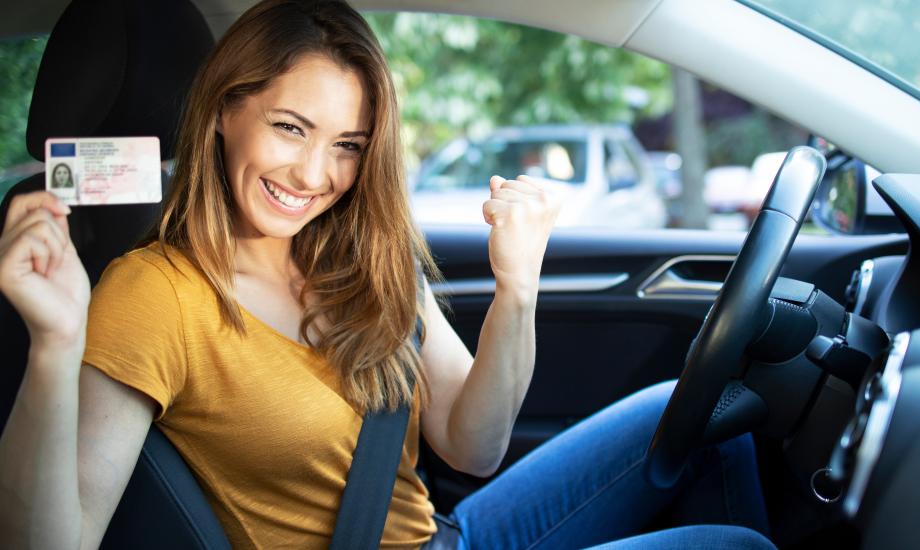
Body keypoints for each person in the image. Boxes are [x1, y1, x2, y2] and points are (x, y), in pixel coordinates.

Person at [0, 1, 774, 548]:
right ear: (221, 114)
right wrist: (53, 344)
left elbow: (472, 447)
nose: (314, 173)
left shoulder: (358, 252)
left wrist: (518, 289)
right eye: (290, 128)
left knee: (708, 412)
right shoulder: (153, 293)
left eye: (347, 143)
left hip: (443, 535)